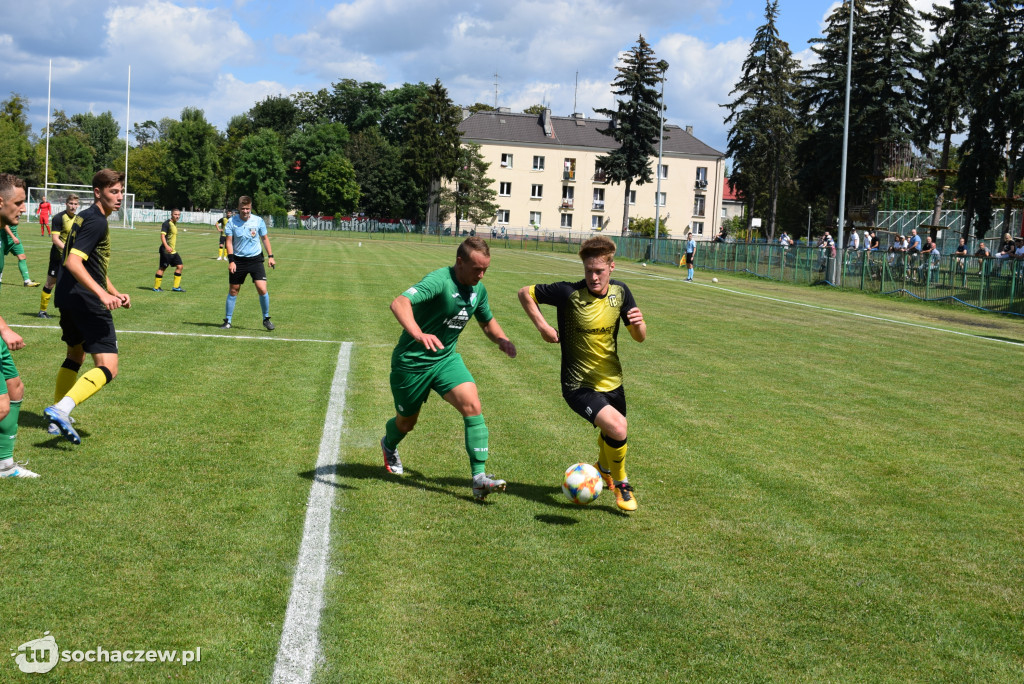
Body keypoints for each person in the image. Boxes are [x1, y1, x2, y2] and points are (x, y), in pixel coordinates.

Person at [379, 237, 516, 501]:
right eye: (477, 269)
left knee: (472, 405)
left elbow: (487, 321)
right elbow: (399, 303)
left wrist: (502, 339)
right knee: (406, 423)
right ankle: (389, 443)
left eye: (485, 269)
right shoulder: (439, 280)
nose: (482, 274)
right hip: (412, 363)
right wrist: (419, 334)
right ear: (460, 262)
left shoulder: (479, 290)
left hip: (445, 360)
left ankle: (479, 479)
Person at [518, 236, 647, 511]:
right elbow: (525, 293)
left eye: (599, 270)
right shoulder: (568, 293)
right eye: (588, 270)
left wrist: (638, 324)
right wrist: (542, 326)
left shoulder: (621, 292)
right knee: (618, 427)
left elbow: (639, 337)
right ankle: (622, 485)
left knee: (612, 432)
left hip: (612, 380)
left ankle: (602, 467)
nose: (593, 276)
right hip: (578, 384)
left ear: (611, 268)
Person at [43, 169, 131, 445]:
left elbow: (90, 264)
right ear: (97, 192)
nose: (119, 198)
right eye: (113, 192)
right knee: (109, 366)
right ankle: (62, 409)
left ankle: (56, 421)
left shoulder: (83, 217)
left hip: (67, 297)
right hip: (85, 299)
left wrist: (114, 291)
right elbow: (72, 263)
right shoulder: (97, 222)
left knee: (75, 354)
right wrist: (102, 296)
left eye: (120, 192)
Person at [0, 174, 34, 477]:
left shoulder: (3, 232)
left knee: (15, 388)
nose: (24, 208)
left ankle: (5, 466)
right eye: (18, 202)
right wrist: (5, 328)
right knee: (0, 405)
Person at [220, 197, 275, 330]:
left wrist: (271, 256)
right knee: (234, 290)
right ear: (238, 208)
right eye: (243, 208)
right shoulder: (232, 222)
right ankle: (228, 320)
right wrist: (231, 261)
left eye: (248, 208)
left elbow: (265, 238)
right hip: (238, 260)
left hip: (256, 259)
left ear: (251, 208)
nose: (245, 211)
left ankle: (266, 319)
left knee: (262, 288)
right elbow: (228, 242)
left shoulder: (258, 221)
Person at [39, 194, 79, 318]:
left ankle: (70, 311)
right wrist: (69, 250)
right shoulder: (58, 218)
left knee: (73, 284)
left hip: (72, 257)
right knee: (50, 283)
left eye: (75, 204)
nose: (73, 206)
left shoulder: (79, 219)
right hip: (58, 256)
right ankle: (42, 311)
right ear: (66, 204)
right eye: (71, 203)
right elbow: (55, 240)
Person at [1, 204, 40, 288]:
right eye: (22, 207)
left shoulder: (18, 212)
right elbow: (5, 225)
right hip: (3, 238)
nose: (24, 210)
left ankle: (27, 281)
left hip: (14, 239)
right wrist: (13, 236)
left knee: (22, 256)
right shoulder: (9, 211)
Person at [153, 209, 185, 292]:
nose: (177, 216)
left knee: (180, 266)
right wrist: (166, 246)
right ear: (171, 214)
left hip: (173, 250)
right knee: (162, 268)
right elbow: (162, 236)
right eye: (175, 214)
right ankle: (156, 287)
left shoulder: (174, 223)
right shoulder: (166, 224)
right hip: (165, 250)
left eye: (178, 214)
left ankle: (176, 287)